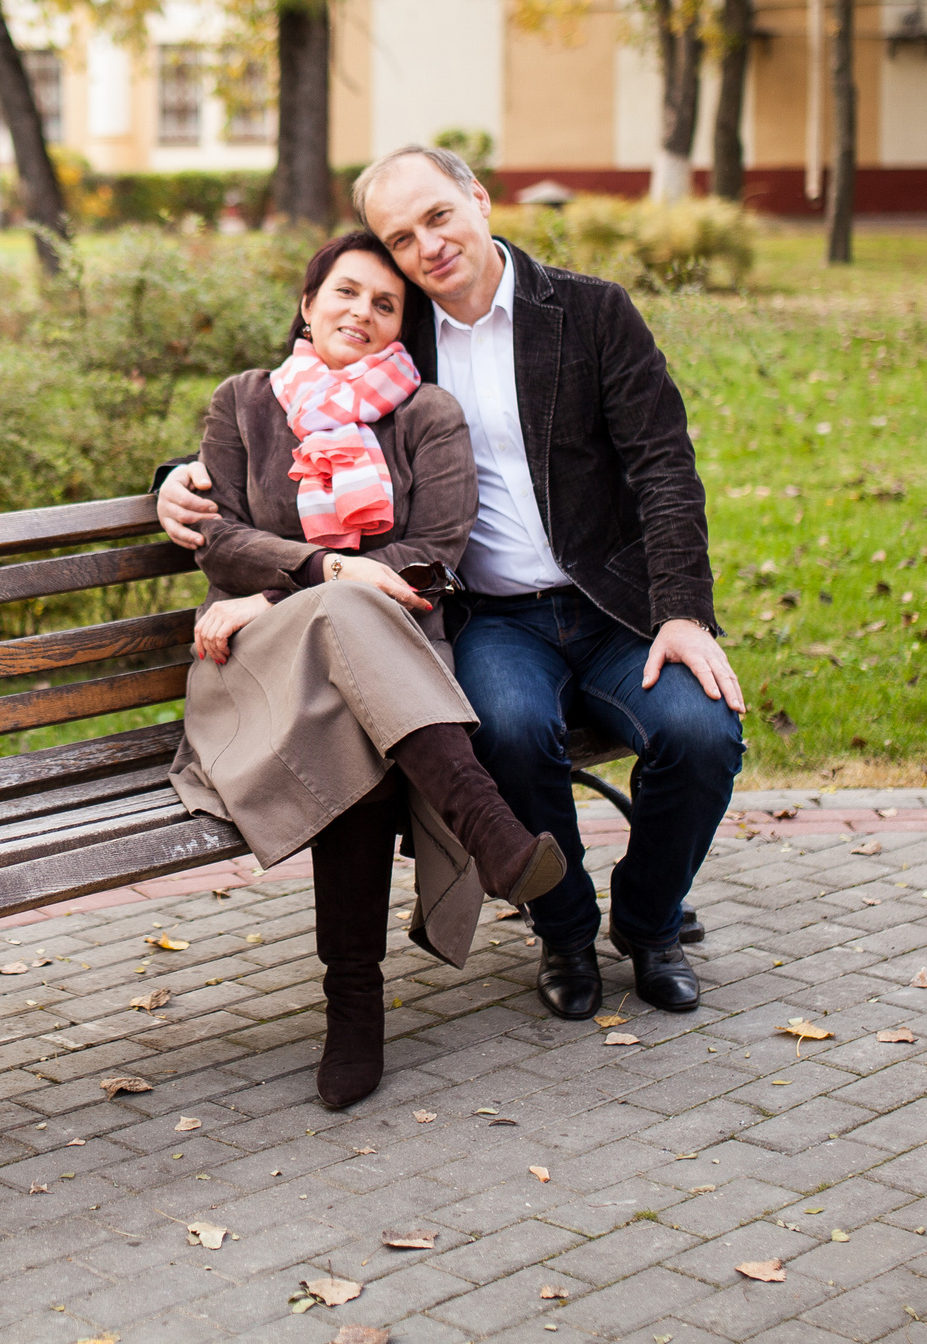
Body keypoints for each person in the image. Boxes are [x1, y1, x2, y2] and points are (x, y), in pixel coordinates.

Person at [160, 147, 744, 1020]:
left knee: (702, 732)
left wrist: (684, 613)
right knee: (508, 732)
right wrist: (174, 475)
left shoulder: (588, 312)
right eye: (401, 237)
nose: (426, 245)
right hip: (490, 617)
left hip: (613, 608)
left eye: (438, 216)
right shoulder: (401, 338)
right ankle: (566, 930)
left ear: (478, 198)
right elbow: (291, 406)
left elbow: (663, 463)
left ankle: (650, 920)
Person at [168, 229, 566, 1109]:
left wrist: (299, 587)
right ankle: (489, 828)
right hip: (256, 664)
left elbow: (436, 553)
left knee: (354, 705)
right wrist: (320, 574)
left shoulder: (426, 415)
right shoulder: (245, 401)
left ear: (400, 327)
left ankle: (355, 1002)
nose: (363, 312)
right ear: (307, 304)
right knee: (346, 614)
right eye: (346, 292)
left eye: (386, 304)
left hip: (389, 657)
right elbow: (218, 540)